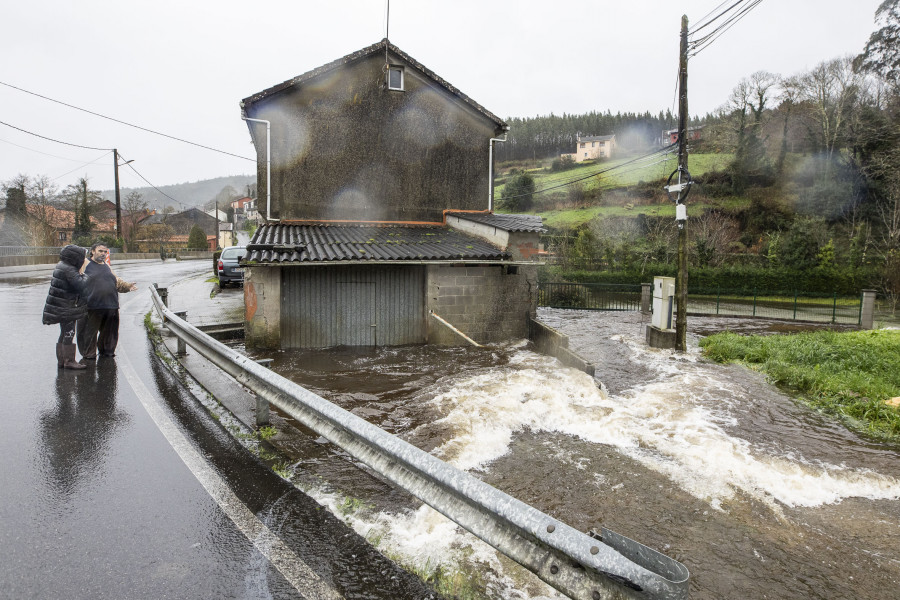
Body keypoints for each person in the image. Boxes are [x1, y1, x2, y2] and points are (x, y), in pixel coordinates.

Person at [76, 243, 137, 360]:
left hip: (111, 306)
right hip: (92, 307)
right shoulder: (85, 263)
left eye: (105, 252)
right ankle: (89, 356)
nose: (103, 254)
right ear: (93, 251)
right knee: (88, 334)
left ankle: (107, 353)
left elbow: (117, 281)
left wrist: (128, 286)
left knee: (109, 334)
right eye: (100, 251)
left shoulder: (107, 266)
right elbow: (75, 279)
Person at [42, 245, 91, 370]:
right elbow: (82, 285)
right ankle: (69, 361)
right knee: (69, 332)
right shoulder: (69, 269)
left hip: (60, 306)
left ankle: (62, 360)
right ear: (75, 257)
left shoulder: (61, 265)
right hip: (67, 306)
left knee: (63, 332)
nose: (83, 259)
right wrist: (85, 274)